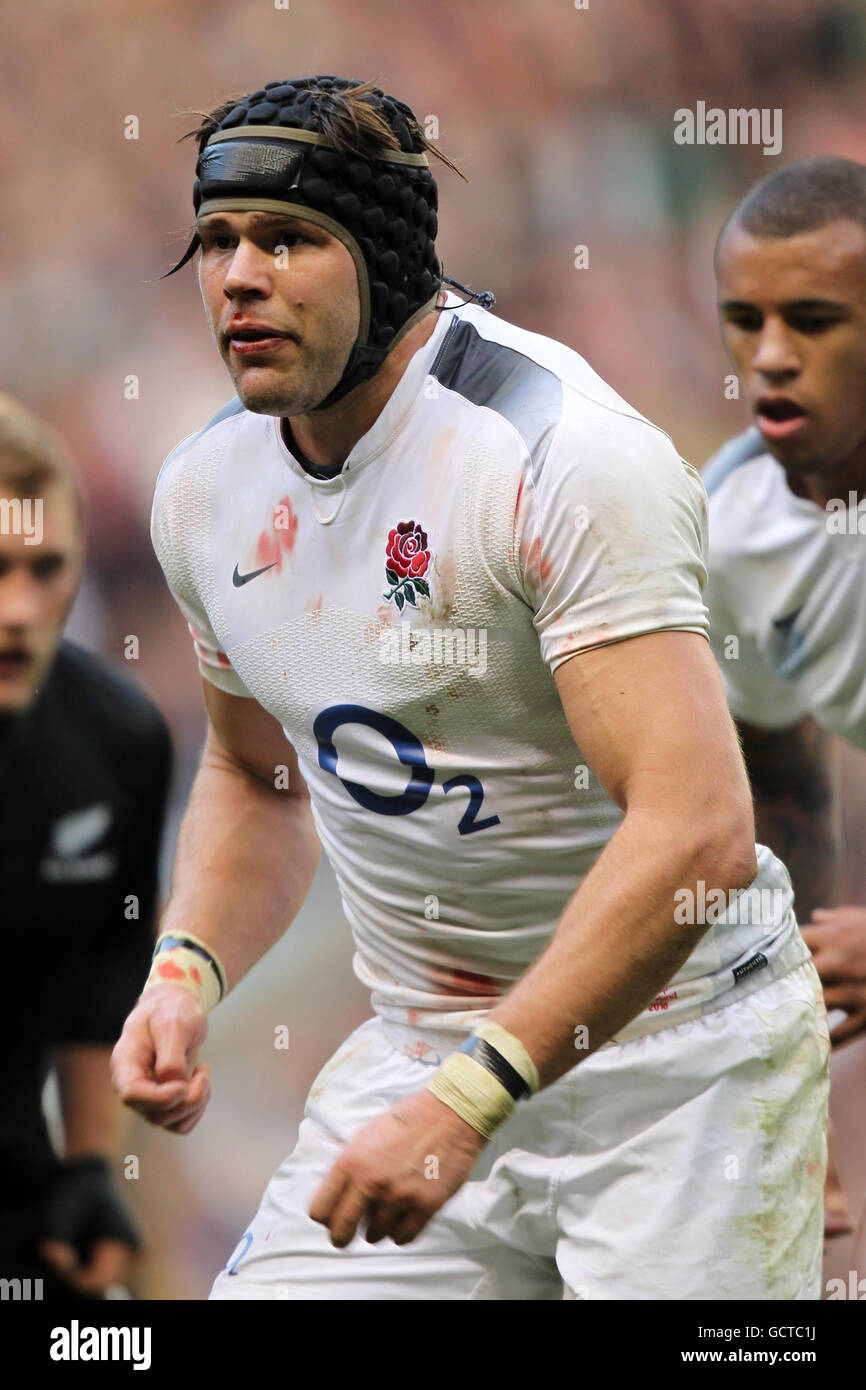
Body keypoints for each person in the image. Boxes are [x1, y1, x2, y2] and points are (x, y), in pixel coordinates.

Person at [112, 75, 829, 1301]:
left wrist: (470, 1096)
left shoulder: (557, 454)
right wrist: (183, 971)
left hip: (678, 1064)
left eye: (288, 240)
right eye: (218, 241)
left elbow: (698, 829)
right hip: (419, 1047)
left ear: (386, 260)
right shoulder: (203, 490)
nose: (237, 276)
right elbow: (256, 770)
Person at [704, 156, 866, 1236]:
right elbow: (775, 772)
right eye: (743, 318)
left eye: (811, 320)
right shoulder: (731, 529)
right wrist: (788, 1060)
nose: (768, 356)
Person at [0, 394, 172, 1298]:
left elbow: (98, 986)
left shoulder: (119, 743)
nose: (20, 609)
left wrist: (93, 1168)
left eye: (45, 569)